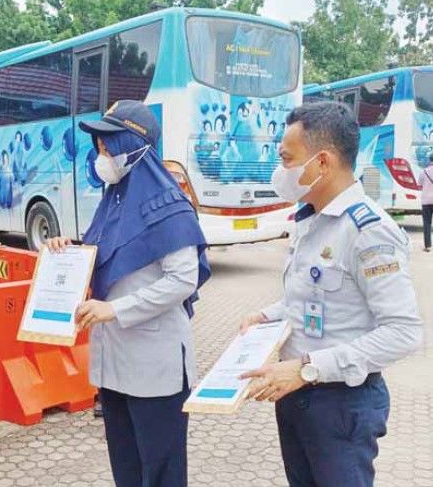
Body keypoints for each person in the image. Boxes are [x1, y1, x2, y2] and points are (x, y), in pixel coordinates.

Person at [239, 101, 423, 487]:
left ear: (322, 162)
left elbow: (403, 331)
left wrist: (308, 368)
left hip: (340, 405)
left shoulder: (368, 231)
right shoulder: (311, 219)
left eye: (287, 160)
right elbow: (312, 297)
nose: (281, 171)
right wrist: (268, 317)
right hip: (295, 395)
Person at [47, 100, 211, 487]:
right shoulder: (113, 202)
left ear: (131, 147)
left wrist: (114, 310)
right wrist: (63, 252)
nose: (101, 156)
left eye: (108, 146)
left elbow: (182, 280)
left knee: (161, 472)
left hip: (155, 368)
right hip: (114, 362)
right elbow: (106, 256)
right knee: (127, 467)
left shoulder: (171, 207)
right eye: (99, 148)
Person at [417, 153, 433, 252]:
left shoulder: (424, 172)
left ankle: (427, 246)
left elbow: (419, 185)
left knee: (427, 223)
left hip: (426, 201)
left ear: (430, 160)